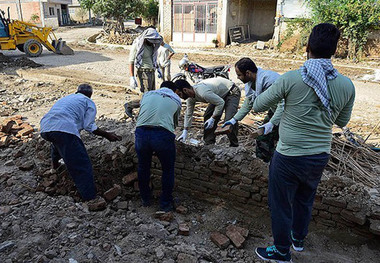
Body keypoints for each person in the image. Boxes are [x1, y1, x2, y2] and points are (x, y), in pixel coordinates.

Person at [253, 23, 355, 262]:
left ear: (307, 47)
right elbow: (341, 120)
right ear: (335, 51)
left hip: (288, 156)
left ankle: (281, 252)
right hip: (319, 155)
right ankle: (297, 240)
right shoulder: (347, 85)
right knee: (305, 199)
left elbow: (259, 105)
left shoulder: (292, 79)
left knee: (280, 204)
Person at [40, 84, 122, 202]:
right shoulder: (88, 102)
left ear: (77, 91)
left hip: (45, 128)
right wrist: (107, 135)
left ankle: (55, 167)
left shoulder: (66, 98)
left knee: (58, 142)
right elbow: (89, 126)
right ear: (90, 95)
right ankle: (91, 198)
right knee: (82, 164)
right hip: (63, 128)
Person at [223, 57, 283, 162]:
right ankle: (264, 165)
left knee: (283, 141)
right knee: (262, 139)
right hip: (275, 110)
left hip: (289, 113)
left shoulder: (269, 81)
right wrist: (234, 120)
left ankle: (275, 164)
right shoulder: (251, 83)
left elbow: (283, 105)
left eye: (239, 75)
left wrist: (272, 123)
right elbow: (248, 103)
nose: (237, 78)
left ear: (248, 73)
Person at [135, 81, 182, 212]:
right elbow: (174, 124)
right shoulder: (176, 99)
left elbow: (143, 110)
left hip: (141, 132)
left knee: (143, 167)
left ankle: (145, 199)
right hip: (162, 134)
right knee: (168, 169)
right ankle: (165, 204)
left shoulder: (147, 94)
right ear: (174, 90)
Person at [175, 77, 241, 147]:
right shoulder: (190, 98)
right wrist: (185, 131)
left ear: (185, 90)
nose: (180, 97)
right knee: (207, 116)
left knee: (229, 119)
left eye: (179, 94)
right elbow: (188, 114)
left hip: (231, 91)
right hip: (218, 95)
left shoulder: (203, 93)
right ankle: (209, 143)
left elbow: (220, 103)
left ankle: (234, 144)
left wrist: (213, 118)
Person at [125, 28, 163, 118]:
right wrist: (132, 77)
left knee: (152, 95)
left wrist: (158, 69)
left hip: (151, 72)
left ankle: (147, 113)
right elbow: (131, 61)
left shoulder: (151, 46)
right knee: (146, 96)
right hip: (143, 72)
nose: (153, 41)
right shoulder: (138, 44)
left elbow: (152, 58)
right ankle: (130, 106)